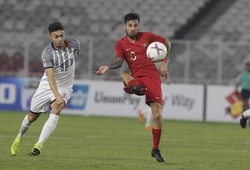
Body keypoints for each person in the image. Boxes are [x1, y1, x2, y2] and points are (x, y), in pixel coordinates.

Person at [95, 13, 171, 162]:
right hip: (136, 78)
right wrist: (108, 66)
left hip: (153, 78)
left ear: (138, 26)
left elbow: (167, 43)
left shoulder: (147, 37)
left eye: (135, 25)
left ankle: (155, 149)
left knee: (157, 116)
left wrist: (164, 62)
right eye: (130, 26)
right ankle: (133, 87)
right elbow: (118, 61)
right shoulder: (121, 44)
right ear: (125, 27)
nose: (133, 28)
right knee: (123, 74)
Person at [10, 22, 80, 156]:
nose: (60, 39)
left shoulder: (75, 44)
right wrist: (56, 95)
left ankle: (39, 145)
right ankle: (20, 136)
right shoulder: (47, 53)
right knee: (32, 117)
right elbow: (50, 76)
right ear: (50, 37)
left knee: (56, 109)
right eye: (56, 37)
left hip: (64, 86)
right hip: (47, 85)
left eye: (62, 35)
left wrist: (60, 96)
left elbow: (76, 53)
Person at [237, 62, 250, 128]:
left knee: (246, 103)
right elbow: (238, 81)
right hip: (245, 89)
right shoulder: (243, 74)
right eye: (247, 66)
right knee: (246, 102)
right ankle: (245, 115)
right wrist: (236, 89)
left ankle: (245, 114)